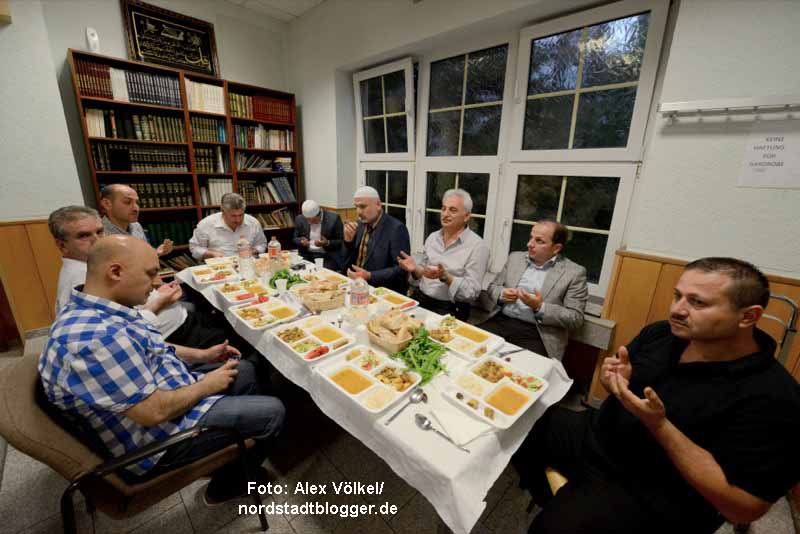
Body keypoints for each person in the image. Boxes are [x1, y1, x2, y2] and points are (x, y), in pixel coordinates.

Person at [516, 257, 800, 534]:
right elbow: (618, 388)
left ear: (748, 316)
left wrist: (660, 426)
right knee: (518, 420)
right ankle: (555, 498)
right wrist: (613, 380)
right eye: (677, 296)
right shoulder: (662, 334)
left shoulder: (775, 397)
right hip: (598, 436)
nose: (677, 309)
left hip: (652, 490)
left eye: (697, 302)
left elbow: (744, 509)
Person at [39, 235, 285, 504]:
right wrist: (207, 385)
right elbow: (153, 412)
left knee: (245, 370)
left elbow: (151, 346)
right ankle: (227, 483)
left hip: (166, 392)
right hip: (155, 441)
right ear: (116, 272)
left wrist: (203, 355)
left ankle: (232, 455)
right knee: (273, 412)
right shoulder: (97, 339)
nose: (158, 283)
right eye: (151, 274)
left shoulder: (99, 306)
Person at [49, 206, 232, 351]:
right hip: (170, 336)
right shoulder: (80, 282)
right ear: (62, 245)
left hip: (173, 320)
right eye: (83, 236)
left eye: (100, 232)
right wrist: (160, 301)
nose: (97, 241)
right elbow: (125, 334)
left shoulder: (93, 265)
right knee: (231, 332)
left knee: (213, 311)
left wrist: (158, 293)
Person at [480, 220, 587, 360]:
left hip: (537, 333)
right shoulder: (515, 258)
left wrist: (539, 307)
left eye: (539, 241)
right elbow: (493, 287)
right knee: (467, 348)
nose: (529, 244)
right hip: (500, 321)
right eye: (531, 237)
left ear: (556, 248)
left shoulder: (574, 273)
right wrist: (501, 294)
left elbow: (576, 318)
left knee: (521, 373)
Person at [397, 189, 489, 322]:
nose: (445, 214)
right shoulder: (433, 238)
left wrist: (446, 277)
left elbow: (472, 293)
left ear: (467, 216)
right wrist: (415, 270)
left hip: (451, 308)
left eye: (452, 210)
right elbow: (417, 280)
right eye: (443, 208)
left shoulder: (478, 247)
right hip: (421, 298)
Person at [341, 186, 410, 294]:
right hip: (356, 286)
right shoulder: (360, 224)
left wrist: (369, 275)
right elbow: (346, 262)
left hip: (382, 291)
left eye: (363, 207)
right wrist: (347, 242)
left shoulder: (396, 229)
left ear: (378, 205)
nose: (358, 212)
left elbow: (401, 270)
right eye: (356, 207)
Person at [100, 184, 173, 256]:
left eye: (137, 203)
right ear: (107, 204)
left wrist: (156, 253)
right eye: (127, 202)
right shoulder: (97, 234)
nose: (136, 208)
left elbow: (142, 259)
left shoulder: (136, 226)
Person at [189, 193, 267, 260]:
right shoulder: (206, 224)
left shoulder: (253, 222)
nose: (238, 220)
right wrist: (212, 254)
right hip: (219, 267)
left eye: (241, 215)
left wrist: (252, 251)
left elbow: (262, 244)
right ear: (223, 211)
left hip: (247, 263)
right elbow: (194, 248)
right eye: (233, 216)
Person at [292, 199, 343, 270]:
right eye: (307, 220)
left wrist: (326, 243)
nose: (310, 223)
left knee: (322, 274)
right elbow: (294, 238)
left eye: (313, 220)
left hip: (327, 256)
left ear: (319, 214)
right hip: (307, 255)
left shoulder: (334, 219)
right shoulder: (300, 219)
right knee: (296, 271)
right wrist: (301, 241)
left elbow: (340, 242)